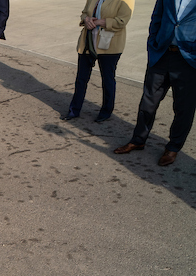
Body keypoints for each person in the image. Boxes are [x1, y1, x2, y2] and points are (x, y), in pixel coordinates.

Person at [114, 0, 196, 166]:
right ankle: (138, 139)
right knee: (148, 101)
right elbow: (157, 17)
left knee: (183, 108)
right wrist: (153, 43)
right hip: (162, 54)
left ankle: (173, 147)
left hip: (188, 60)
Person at [60, 0, 134, 123]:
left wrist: (99, 22)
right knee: (81, 79)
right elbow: (84, 13)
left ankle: (106, 111)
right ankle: (74, 110)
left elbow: (122, 20)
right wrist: (86, 20)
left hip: (109, 45)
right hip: (88, 42)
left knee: (107, 79)